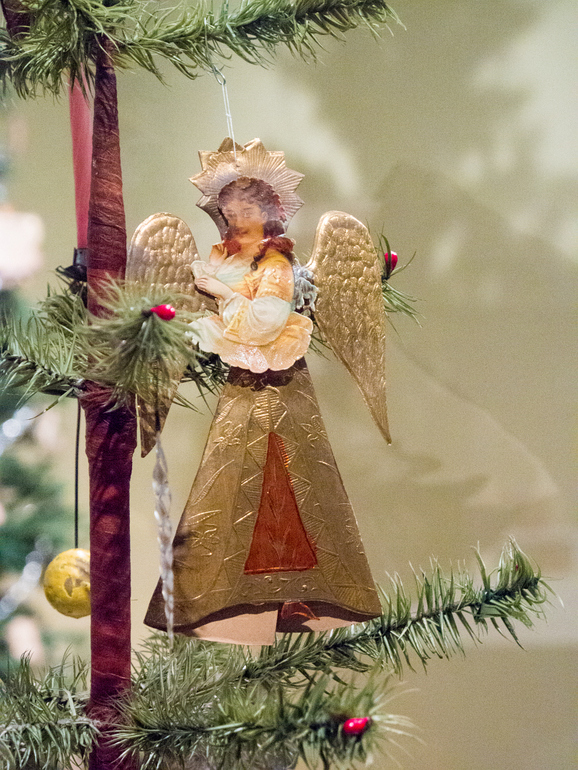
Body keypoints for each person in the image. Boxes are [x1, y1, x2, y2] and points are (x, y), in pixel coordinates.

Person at [187, 176, 312, 373]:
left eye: (247, 213)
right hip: (228, 330)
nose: (238, 222)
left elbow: (266, 321)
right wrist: (215, 266)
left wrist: (226, 294)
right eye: (231, 215)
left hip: (261, 343)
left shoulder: (275, 264)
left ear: (264, 215)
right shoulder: (231, 256)